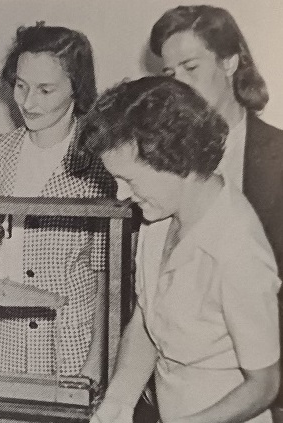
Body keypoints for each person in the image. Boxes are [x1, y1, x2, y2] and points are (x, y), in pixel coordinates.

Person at [85, 76, 280, 423]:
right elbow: (149, 316)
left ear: (177, 160)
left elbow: (263, 385)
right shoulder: (158, 217)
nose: (120, 196)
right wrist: (118, 400)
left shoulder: (236, 248)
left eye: (129, 180)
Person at [0, 24, 113, 378]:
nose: (28, 102)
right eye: (21, 86)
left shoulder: (101, 168)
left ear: (77, 88)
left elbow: (107, 284)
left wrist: (93, 367)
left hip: (66, 354)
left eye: (45, 90)